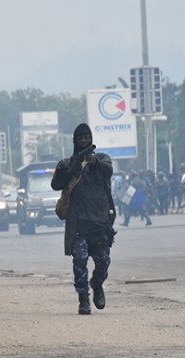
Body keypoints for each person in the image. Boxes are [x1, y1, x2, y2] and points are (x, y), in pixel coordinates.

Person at [51, 123, 116, 315]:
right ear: (75, 141)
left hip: (100, 223)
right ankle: (83, 299)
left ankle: (97, 285)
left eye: (87, 137)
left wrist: (93, 162)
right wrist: (73, 167)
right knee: (79, 262)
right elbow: (56, 184)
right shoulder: (66, 164)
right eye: (81, 138)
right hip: (78, 224)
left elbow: (107, 172)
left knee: (103, 262)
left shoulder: (102, 159)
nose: (84, 141)